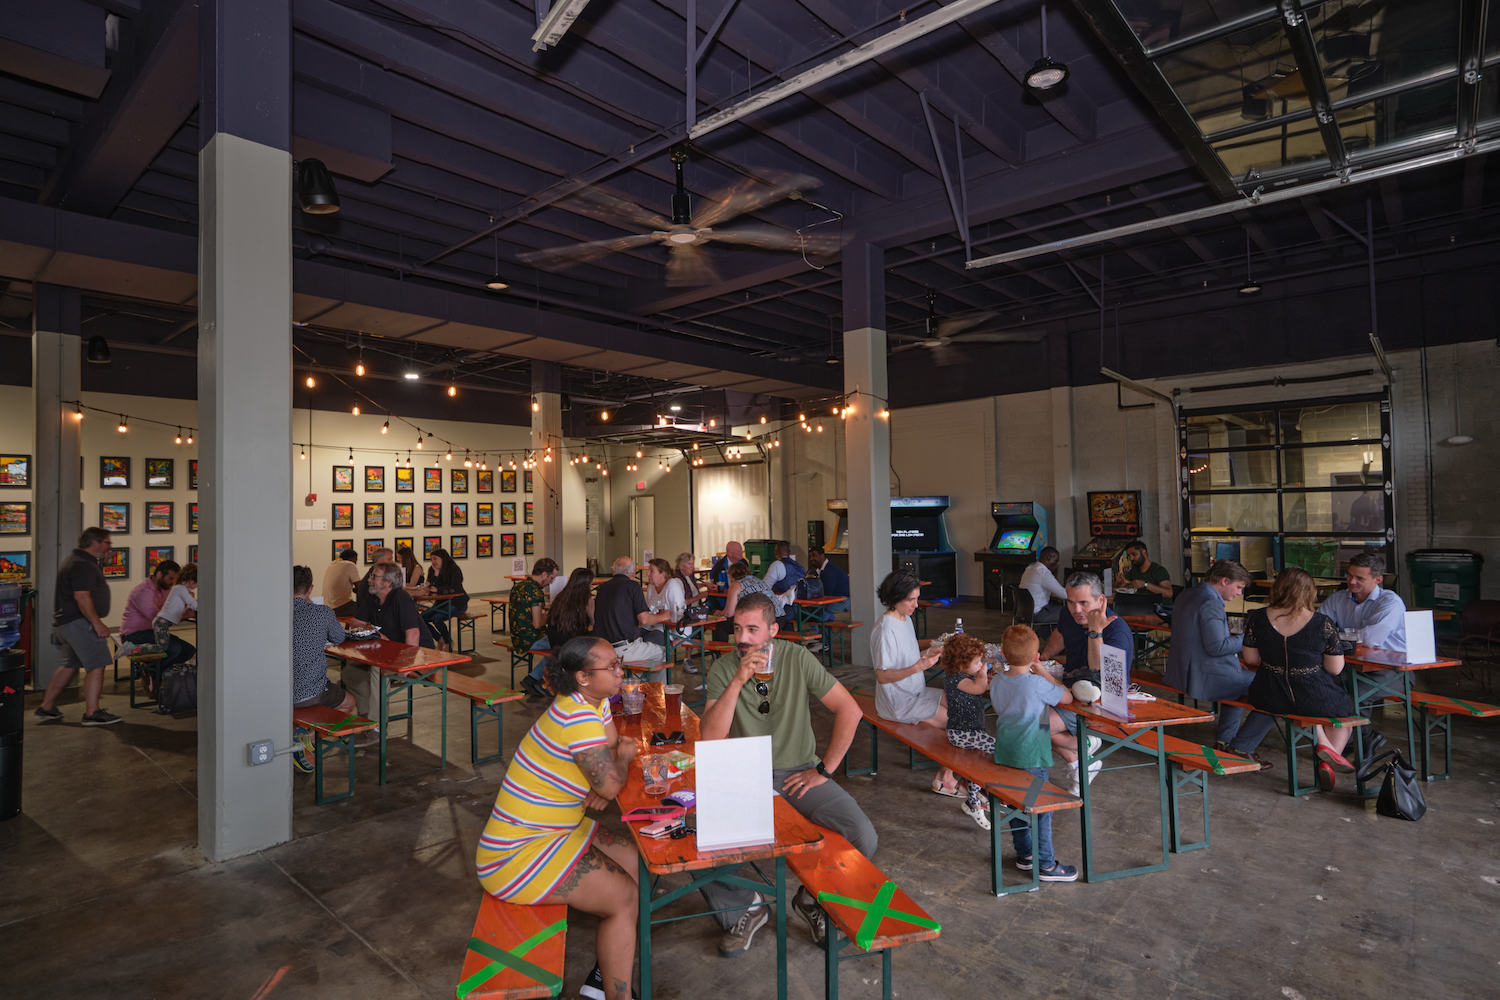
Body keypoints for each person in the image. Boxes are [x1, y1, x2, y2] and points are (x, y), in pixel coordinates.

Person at [699, 593, 875, 957]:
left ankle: (811, 899)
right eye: (737, 629)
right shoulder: (722, 669)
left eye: (752, 629)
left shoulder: (797, 658)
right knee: (691, 841)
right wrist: (738, 680)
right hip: (744, 775)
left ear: (773, 631)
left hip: (797, 773)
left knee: (862, 835)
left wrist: (823, 769)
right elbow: (711, 737)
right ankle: (745, 907)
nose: (743, 638)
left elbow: (850, 710)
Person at [475, 637, 640, 1000]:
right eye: (611, 667)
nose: (620, 671)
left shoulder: (590, 702)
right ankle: (618, 995)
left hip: (555, 828)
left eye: (618, 662)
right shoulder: (577, 717)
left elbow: (608, 747)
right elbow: (612, 780)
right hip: (516, 854)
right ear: (583, 676)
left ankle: (609, 968)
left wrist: (609, 768)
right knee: (625, 897)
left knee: (633, 860)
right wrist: (624, 760)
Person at [1233, 568, 1355, 791]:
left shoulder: (1257, 618)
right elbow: (1335, 669)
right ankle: (1327, 758)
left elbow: (1251, 659)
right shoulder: (1322, 622)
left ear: (1277, 588)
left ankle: (1326, 750)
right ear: (1310, 592)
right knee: (1343, 713)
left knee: (1307, 706)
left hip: (1268, 693)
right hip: (1312, 695)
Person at [989, 625, 1080, 881]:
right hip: (1032, 755)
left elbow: (997, 708)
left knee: (1015, 803)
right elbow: (1067, 698)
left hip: (1005, 751)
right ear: (1036, 655)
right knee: (1041, 810)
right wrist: (1041, 670)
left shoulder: (997, 680)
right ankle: (1047, 865)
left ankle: (1025, 854)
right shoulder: (1037, 684)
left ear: (1004, 655)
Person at [1162, 560, 1268, 768]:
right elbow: (1216, 648)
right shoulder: (1211, 602)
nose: (1239, 593)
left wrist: (1234, 661)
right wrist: (1250, 637)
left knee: (1240, 685)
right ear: (1224, 580)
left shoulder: (1186, 594)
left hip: (1181, 672)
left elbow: (1198, 642)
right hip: (1204, 677)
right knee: (1271, 689)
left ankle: (1224, 743)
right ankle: (1241, 748)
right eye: (1238, 587)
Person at [870, 569, 958, 796]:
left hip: (915, 691)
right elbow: (883, 675)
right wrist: (918, 667)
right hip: (899, 702)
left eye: (916, 598)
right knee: (959, 721)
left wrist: (929, 651)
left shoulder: (904, 618)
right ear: (895, 598)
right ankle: (945, 779)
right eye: (911, 600)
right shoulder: (884, 630)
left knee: (962, 702)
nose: (915, 605)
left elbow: (908, 654)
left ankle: (949, 774)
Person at [1318, 552, 1405, 756]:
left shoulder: (1390, 602)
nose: (1351, 581)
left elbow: (1371, 638)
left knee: (1354, 694)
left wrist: (1337, 635)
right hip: (1354, 666)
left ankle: (1357, 741)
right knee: (1322, 686)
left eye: (1360, 578)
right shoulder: (1338, 598)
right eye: (1349, 575)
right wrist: (1345, 635)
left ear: (1378, 580)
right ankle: (1358, 739)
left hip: (1393, 671)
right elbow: (1318, 629)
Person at [34, 527, 122, 725]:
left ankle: (47, 707)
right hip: (79, 624)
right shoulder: (83, 564)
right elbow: (82, 597)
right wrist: (97, 623)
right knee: (97, 664)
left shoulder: (76, 560)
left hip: (68, 624)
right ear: (95, 543)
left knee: (70, 665)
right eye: (107, 543)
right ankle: (92, 714)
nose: (109, 547)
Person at [348, 561, 431, 724]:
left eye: (374, 576)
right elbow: (355, 623)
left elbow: (413, 633)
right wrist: (376, 632)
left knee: (377, 670)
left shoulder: (401, 597)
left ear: (388, 582)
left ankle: (377, 726)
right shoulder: (373, 598)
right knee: (350, 675)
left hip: (419, 654)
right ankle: (367, 716)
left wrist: (407, 665)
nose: (369, 580)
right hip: (391, 652)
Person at [292, 564, 356, 772]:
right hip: (311, 692)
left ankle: (299, 732)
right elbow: (339, 637)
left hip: (277, 692)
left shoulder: (272, 613)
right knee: (349, 702)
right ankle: (308, 737)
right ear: (310, 589)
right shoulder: (321, 612)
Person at [940, 633, 997, 830]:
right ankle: (987, 796)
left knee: (977, 762)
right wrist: (983, 672)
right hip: (964, 734)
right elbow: (980, 688)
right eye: (977, 662)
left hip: (968, 732)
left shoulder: (959, 677)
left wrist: (979, 671)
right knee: (999, 750)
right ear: (961, 664)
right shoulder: (958, 680)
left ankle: (973, 800)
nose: (981, 664)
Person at [1040, 570, 1134, 686]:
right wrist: (1044, 657)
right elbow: (1061, 633)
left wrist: (1095, 632)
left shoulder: (1117, 630)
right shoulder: (1067, 613)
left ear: (1100, 601)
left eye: (1083, 603)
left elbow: (1100, 675)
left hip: (1104, 692)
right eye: (1071, 602)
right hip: (1072, 682)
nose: (1076, 610)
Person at [519, 567, 595, 698]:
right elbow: (593, 623)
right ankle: (549, 687)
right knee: (588, 652)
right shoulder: (587, 600)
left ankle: (535, 680)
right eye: (591, 582)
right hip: (569, 642)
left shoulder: (561, 596)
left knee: (557, 654)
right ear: (587, 583)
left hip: (554, 639)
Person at [120, 559, 194, 689]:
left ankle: (156, 673)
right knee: (174, 648)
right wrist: (186, 613)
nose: (172, 582)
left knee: (189, 650)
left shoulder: (165, 588)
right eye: (170, 578)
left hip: (153, 631)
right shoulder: (142, 592)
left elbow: (172, 609)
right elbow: (158, 617)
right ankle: (154, 675)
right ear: (159, 574)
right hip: (134, 635)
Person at [594, 557, 671, 671]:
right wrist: (664, 616)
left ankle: (636, 683)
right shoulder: (633, 586)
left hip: (603, 648)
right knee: (662, 652)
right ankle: (655, 688)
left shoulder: (602, 587)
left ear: (613, 572)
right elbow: (644, 620)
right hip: (624, 649)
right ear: (633, 573)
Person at [147, 562, 199, 694]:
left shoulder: (181, 590)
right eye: (197, 584)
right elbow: (193, 604)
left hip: (163, 623)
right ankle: (134, 651)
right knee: (162, 648)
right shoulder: (179, 589)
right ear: (192, 581)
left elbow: (185, 607)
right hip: (161, 622)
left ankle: (160, 673)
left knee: (180, 649)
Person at [510, 558, 560, 658]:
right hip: (531, 640)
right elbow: (537, 624)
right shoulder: (535, 591)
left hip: (517, 639)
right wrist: (549, 617)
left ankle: (535, 674)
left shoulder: (517, 587)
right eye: (551, 578)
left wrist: (542, 616)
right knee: (565, 644)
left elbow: (524, 615)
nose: (551, 582)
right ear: (544, 574)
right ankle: (538, 674)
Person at [419, 547, 468, 650]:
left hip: (457, 603)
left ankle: (448, 642)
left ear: (443, 559)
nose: (433, 562)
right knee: (420, 618)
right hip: (441, 603)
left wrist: (438, 589)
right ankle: (439, 638)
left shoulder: (454, 569)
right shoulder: (432, 570)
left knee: (437, 618)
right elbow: (430, 586)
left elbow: (455, 588)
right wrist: (436, 574)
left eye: (435, 558)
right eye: (431, 559)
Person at [1019, 546, 1067, 626]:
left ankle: (1039, 635)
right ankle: (1041, 635)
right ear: (1049, 558)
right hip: (1038, 614)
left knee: (1055, 609)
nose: (1056, 564)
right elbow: (1064, 595)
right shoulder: (1043, 573)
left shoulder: (1029, 569)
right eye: (1056, 561)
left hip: (1022, 612)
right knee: (1070, 612)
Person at [807, 546, 850, 617]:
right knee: (811, 610)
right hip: (835, 600)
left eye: (814, 555)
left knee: (813, 611)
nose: (811, 559)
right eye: (810, 556)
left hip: (843, 601)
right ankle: (822, 628)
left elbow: (827, 593)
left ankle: (822, 628)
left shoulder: (829, 571)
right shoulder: (820, 571)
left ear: (822, 555)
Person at [322, 548, 361, 616]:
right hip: (340, 607)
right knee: (366, 610)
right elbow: (360, 586)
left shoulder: (332, 564)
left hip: (327, 606)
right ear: (352, 559)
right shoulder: (349, 564)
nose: (355, 564)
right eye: (355, 561)